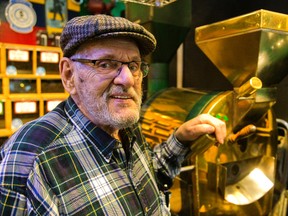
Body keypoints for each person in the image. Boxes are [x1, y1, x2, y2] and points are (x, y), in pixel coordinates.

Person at [0, 15, 226, 215]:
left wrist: (180, 139)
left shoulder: (125, 123)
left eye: (134, 65)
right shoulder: (31, 158)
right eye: (106, 64)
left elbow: (142, 181)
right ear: (69, 74)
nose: (127, 79)